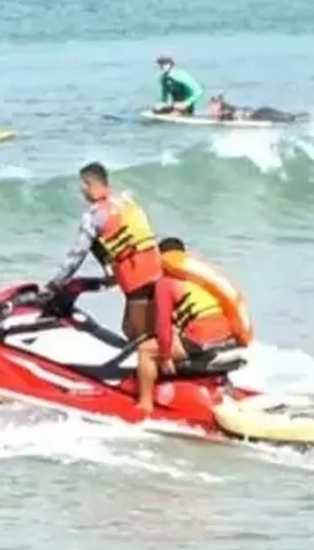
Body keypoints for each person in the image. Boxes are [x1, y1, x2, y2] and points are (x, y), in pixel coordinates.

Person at [46, 161, 162, 415]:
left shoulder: (95, 214)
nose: (82, 193)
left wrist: (54, 285)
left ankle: (148, 402)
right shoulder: (126, 202)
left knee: (142, 339)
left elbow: (77, 254)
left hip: (138, 280)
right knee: (138, 330)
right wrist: (110, 273)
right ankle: (149, 381)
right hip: (157, 272)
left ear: (89, 185)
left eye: (82, 187)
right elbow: (117, 242)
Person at [155, 237, 253, 375]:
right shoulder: (200, 280)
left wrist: (165, 357)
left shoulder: (165, 283)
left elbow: (163, 325)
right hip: (227, 336)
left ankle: (145, 396)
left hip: (203, 339)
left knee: (146, 350)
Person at [208, 94, 299, 124]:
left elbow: (223, 116)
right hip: (259, 112)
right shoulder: (226, 111)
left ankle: (293, 118)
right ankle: (293, 118)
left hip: (258, 115)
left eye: (214, 105)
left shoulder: (226, 112)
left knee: (283, 118)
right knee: (286, 116)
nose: (211, 108)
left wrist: (218, 116)